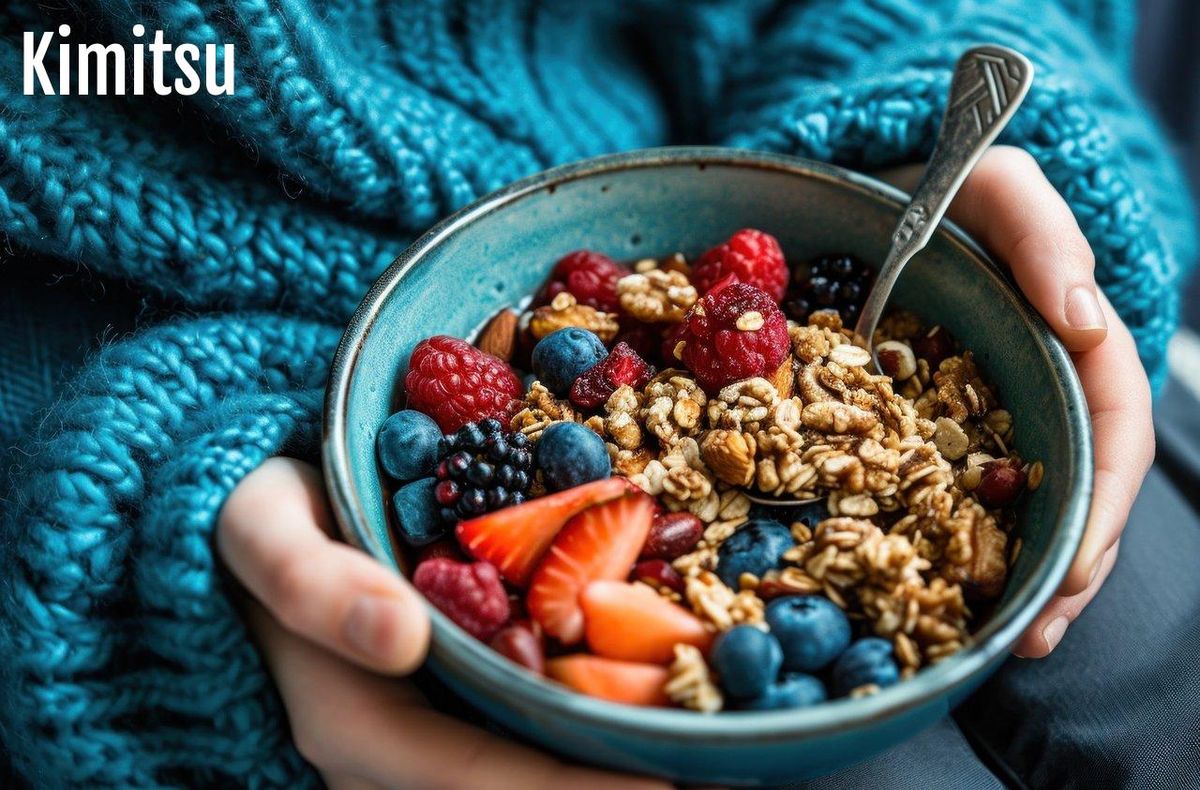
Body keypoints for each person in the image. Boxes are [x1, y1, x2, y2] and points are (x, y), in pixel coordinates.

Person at [0, 2, 1194, 787]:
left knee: (1156, 680)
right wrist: (128, 560)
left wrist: (913, 96)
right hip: (247, 481)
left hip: (772, 169)